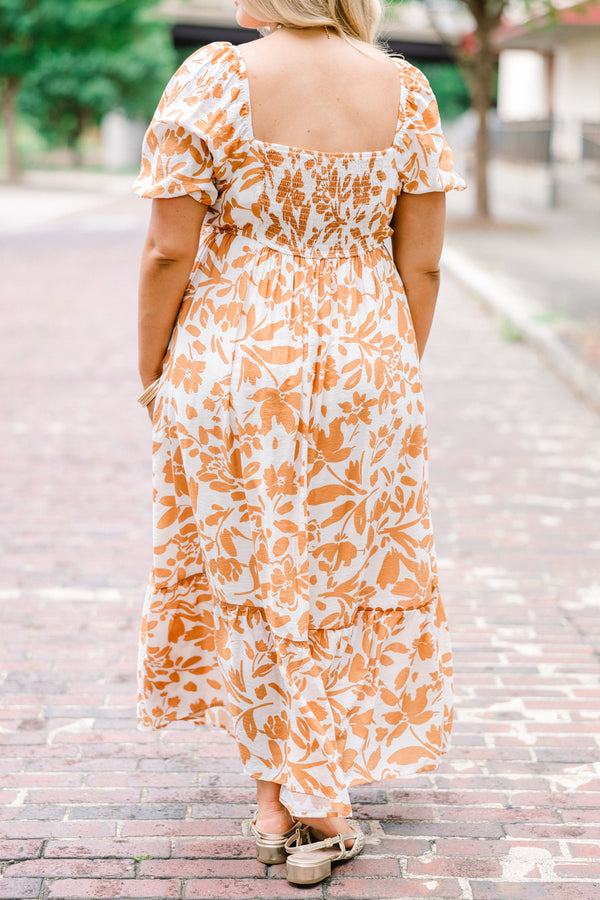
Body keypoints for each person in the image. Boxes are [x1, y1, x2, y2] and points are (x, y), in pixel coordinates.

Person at [133, 0, 466, 885]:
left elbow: (170, 251)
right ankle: (302, 793)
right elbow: (423, 261)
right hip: (368, 359)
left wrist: (151, 371)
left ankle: (290, 800)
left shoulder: (213, 78)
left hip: (235, 359)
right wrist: (391, 367)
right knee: (335, 568)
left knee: (255, 564)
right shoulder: (405, 88)